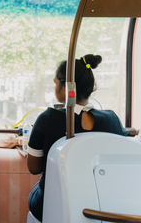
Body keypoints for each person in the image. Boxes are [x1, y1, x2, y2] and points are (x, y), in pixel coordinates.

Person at [27, 54, 127, 221]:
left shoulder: (48, 119)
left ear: (67, 87)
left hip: (56, 204)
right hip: (102, 207)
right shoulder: (113, 120)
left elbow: (34, 167)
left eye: (56, 82)